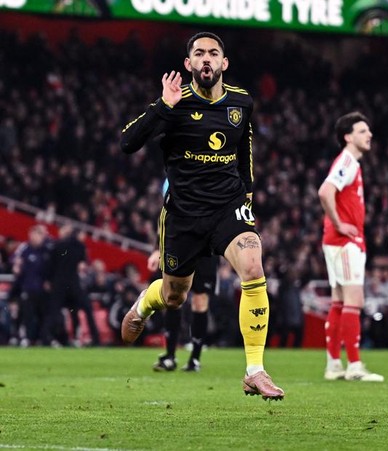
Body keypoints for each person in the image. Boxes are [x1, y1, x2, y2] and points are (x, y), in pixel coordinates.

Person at [119, 32, 283, 400]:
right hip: (184, 214)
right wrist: (162, 106)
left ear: (224, 63)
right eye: (198, 54)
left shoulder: (241, 102)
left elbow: (245, 154)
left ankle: (254, 370)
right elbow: (127, 143)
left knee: (254, 266)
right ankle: (145, 303)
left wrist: (249, 196)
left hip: (228, 207)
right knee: (176, 295)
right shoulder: (174, 104)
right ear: (188, 64)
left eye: (213, 54)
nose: (206, 59)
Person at [318, 111, 384, 382]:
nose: (368, 134)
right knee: (354, 301)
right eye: (361, 131)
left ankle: (334, 364)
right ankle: (354, 365)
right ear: (347, 136)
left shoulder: (349, 162)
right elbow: (325, 191)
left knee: (339, 300)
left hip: (338, 241)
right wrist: (339, 223)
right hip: (345, 241)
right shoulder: (347, 161)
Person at [150, 179, 215, 373]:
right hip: (181, 245)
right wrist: (157, 248)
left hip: (205, 249)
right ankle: (170, 356)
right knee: (173, 298)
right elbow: (165, 215)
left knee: (200, 302)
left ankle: (195, 358)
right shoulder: (175, 176)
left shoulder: (210, 173)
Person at [49, 223, 101, 347]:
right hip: (73, 285)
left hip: (59, 285)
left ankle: (52, 338)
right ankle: (94, 338)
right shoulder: (79, 247)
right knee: (84, 309)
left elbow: (51, 265)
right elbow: (82, 264)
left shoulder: (58, 245)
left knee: (54, 312)